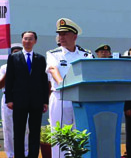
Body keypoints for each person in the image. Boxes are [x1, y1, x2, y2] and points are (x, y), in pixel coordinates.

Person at [46, 18, 93, 158]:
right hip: (61, 97)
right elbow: (53, 70)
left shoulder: (86, 54)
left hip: (81, 98)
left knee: (80, 134)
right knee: (60, 136)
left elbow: (90, 73)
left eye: (65, 34)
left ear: (75, 36)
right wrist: (63, 84)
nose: (61, 37)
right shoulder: (53, 54)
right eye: (60, 34)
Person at [5, 31, 49, 158]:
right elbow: (9, 80)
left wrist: (45, 101)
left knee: (35, 131)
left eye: (30, 39)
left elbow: (43, 80)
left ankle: (33, 155)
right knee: (18, 131)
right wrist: (9, 99)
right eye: (25, 39)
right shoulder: (14, 57)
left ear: (35, 41)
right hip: (19, 100)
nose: (28, 41)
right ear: (22, 40)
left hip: (36, 101)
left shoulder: (40, 59)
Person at [0, 43, 29, 158]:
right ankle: (11, 154)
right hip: (8, 97)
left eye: (18, 53)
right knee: (8, 127)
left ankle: (24, 153)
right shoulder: (4, 67)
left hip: (23, 98)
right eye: (14, 53)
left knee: (25, 127)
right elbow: (0, 85)